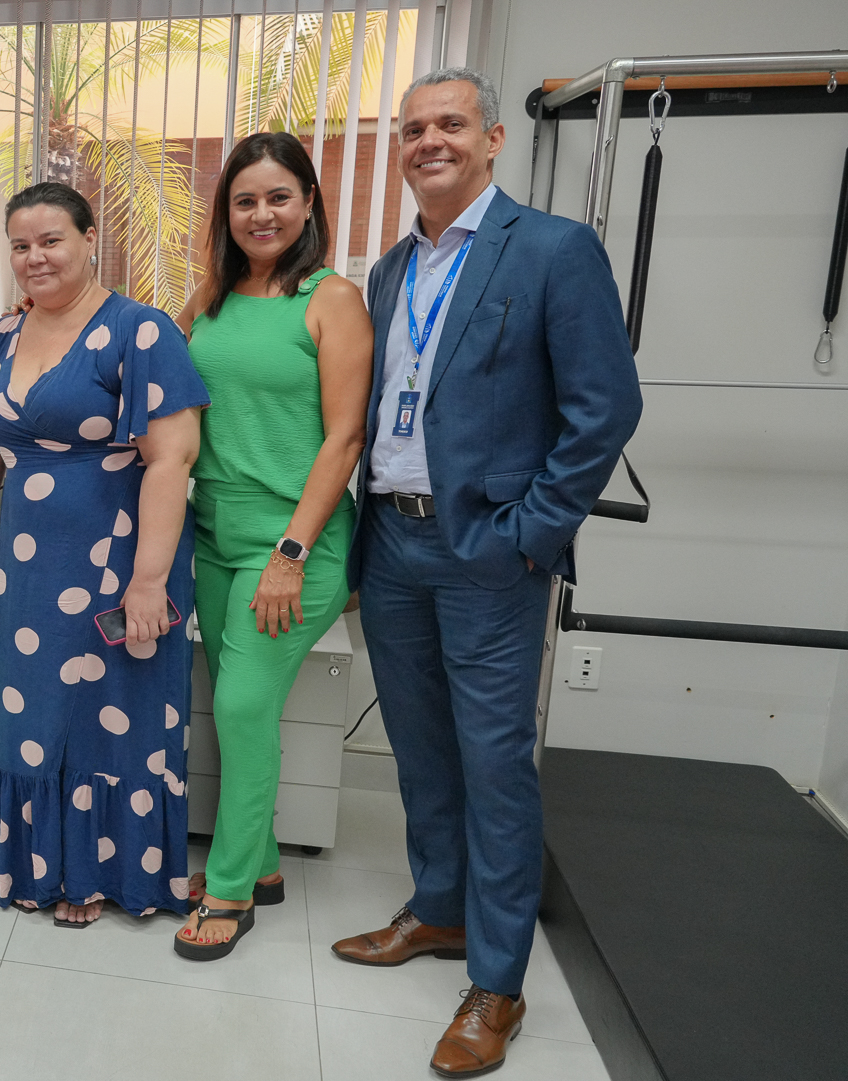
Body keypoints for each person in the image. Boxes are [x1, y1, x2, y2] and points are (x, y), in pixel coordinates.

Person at [330, 68, 641, 1077]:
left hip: (490, 554)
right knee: (420, 753)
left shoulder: (553, 250)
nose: (430, 140)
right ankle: (439, 911)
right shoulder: (390, 270)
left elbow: (605, 409)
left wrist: (532, 532)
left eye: (450, 124)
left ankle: (498, 979)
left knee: (494, 766)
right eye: (414, 127)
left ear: (494, 138)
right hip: (394, 544)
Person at [0, 182, 208, 926]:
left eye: (51, 239)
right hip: (27, 566)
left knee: (109, 714)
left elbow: (171, 458)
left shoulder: (141, 330)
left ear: (91, 238)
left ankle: (96, 874)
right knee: (30, 712)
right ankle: (40, 864)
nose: (36, 257)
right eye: (21, 245)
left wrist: (149, 581)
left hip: (118, 562)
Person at [173, 133, 372, 961]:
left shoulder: (331, 299)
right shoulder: (210, 297)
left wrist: (291, 550)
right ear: (227, 211)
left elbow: (345, 436)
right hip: (213, 536)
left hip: (295, 544)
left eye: (279, 196)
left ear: (309, 205)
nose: (262, 213)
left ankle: (226, 891)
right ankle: (257, 865)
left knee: (244, 706)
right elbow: (156, 376)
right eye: (245, 199)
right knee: (235, 705)